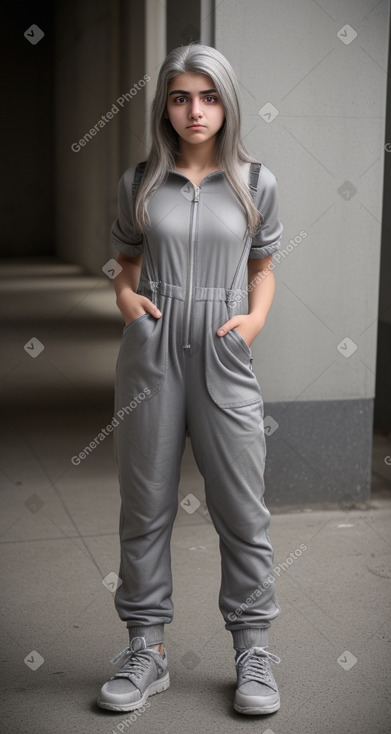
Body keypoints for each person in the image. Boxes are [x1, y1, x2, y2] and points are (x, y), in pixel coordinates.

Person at [97, 41, 283, 717]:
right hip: (151, 356)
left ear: (226, 102)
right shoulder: (139, 180)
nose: (194, 111)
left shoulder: (255, 182)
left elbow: (262, 265)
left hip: (223, 354)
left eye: (207, 97)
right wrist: (126, 301)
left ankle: (253, 648)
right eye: (180, 97)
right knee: (144, 505)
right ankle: (147, 649)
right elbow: (121, 260)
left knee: (241, 507)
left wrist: (252, 322)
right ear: (164, 106)